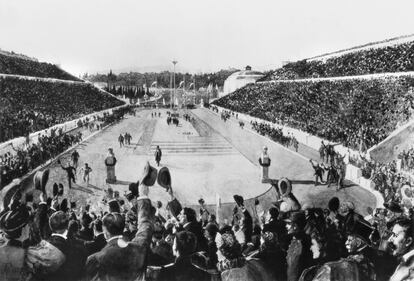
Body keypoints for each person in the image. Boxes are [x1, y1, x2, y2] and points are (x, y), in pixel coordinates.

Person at [85, 182, 154, 281]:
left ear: (105, 232)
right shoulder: (139, 247)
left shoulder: (95, 260)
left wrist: (110, 199)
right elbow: (145, 225)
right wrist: (143, 196)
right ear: (123, 227)